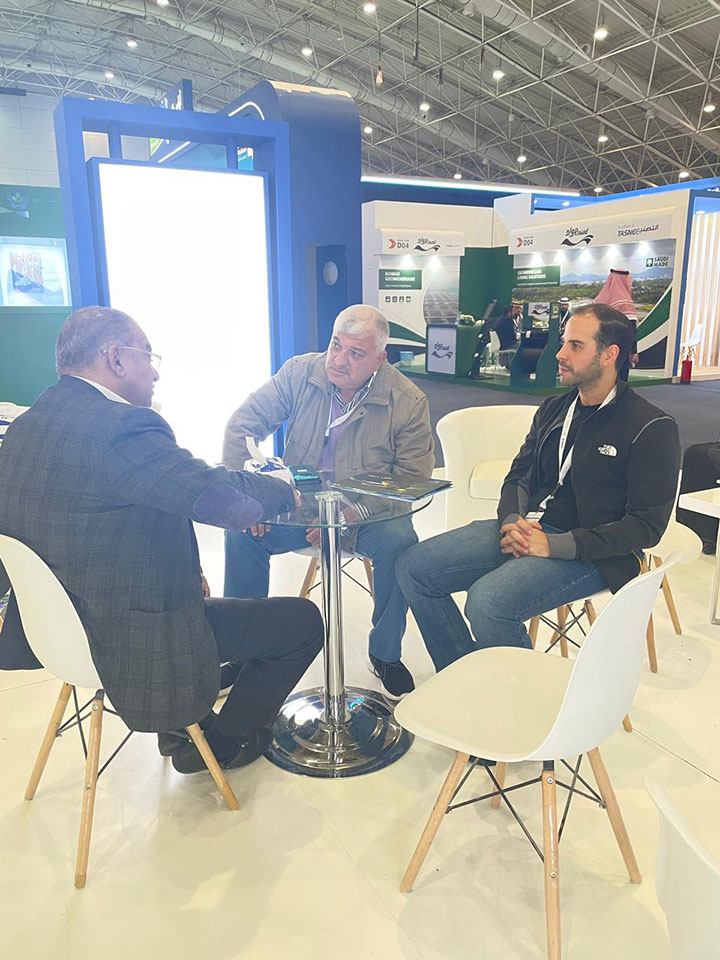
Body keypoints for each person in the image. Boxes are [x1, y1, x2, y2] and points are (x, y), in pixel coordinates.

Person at [0, 306, 323, 774]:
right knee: (302, 622)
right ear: (116, 358)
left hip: (53, 630)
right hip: (132, 640)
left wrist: (190, 570)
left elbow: (115, 513)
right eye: (147, 356)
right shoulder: (122, 427)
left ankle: (185, 726)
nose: (154, 372)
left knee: (203, 595)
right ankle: (222, 743)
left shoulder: (27, 425)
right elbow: (221, 499)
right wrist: (284, 489)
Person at [396, 303, 681, 672]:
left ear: (610, 355)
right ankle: (462, 676)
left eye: (575, 346)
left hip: (594, 552)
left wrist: (555, 545)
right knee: (413, 567)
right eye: (563, 343)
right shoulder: (554, 409)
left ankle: (516, 699)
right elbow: (520, 475)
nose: (560, 354)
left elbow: (646, 526)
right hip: (528, 528)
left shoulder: (651, 427)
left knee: (488, 603)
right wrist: (512, 521)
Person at [223, 305, 434, 699]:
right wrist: (251, 496)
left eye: (355, 353)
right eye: (336, 345)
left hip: (365, 512)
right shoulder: (300, 373)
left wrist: (351, 514)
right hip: (299, 504)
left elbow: (411, 480)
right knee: (242, 532)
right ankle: (241, 650)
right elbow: (242, 426)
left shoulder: (407, 400)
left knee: (400, 543)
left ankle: (385, 653)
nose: (338, 360)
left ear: (379, 359)